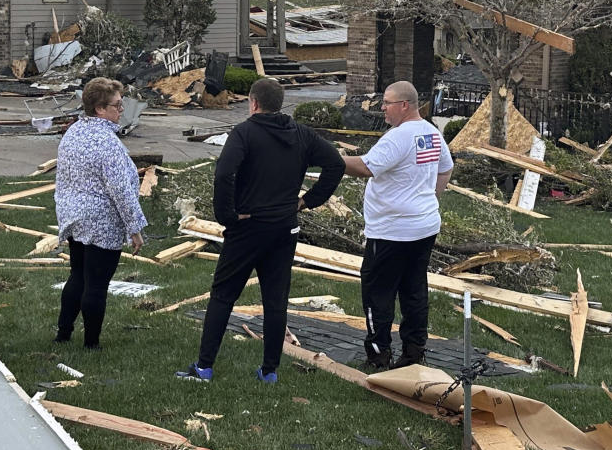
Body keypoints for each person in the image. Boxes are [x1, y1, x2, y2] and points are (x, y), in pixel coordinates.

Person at [176, 77, 344, 383]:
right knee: (275, 300)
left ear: (253, 103)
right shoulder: (301, 133)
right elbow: (336, 164)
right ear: (279, 104)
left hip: (249, 226)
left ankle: (204, 367)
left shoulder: (244, 133)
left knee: (223, 295)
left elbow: (224, 173)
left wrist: (227, 216)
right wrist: (307, 202)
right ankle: (269, 371)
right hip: (284, 227)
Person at [342, 81, 453, 370]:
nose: (382, 108)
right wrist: (429, 198)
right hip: (424, 227)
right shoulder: (431, 133)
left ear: (404, 105)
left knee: (378, 293)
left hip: (391, 231)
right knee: (414, 290)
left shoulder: (398, 137)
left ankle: (379, 355)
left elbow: (365, 167)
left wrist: (327, 158)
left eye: (387, 102)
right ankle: (414, 353)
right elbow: (446, 167)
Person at [53, 77, 146, 349]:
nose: (122, 110)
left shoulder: (73, 132)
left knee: (78, 275)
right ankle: (91, 343)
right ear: (99, 109)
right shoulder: (108, 144)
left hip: (74, 217)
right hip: (101, 221)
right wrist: (134, 228)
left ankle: (63, 333)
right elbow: (121, 191)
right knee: (96, 284)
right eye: (117, 105)